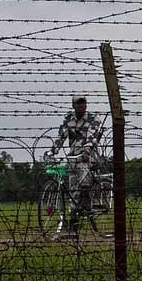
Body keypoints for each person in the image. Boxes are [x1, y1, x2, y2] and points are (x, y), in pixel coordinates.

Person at [48, 95, 101, 234]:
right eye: (78, 103)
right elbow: (61, 137)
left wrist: (87, 152)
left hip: (88, 156)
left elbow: (92, 137)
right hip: (73, 157)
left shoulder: (93, 119)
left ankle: (86, 205)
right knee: (73, 190)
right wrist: (52, 152)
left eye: (83, 103)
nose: (81, 106)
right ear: (73, 105)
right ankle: (74, 222)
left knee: (84, 177)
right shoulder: (68, 119)